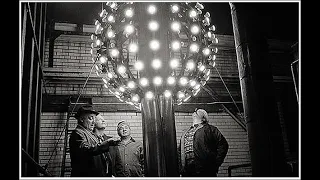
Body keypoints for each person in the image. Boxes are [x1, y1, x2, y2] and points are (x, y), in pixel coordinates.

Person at [178, 108, 229, 177]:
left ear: (203, 118)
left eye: (198, 112)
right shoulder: (185, 132)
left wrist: (215, 163)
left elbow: (223, 145)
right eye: (195, 111)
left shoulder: (211, 129)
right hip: (187, 172)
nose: (195, 112)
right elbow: (179, 151)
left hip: (205, 171)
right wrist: (180, 168)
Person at [68, 105, 114, 177]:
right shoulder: (78, 133)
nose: (93, 122)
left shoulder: (89, 134)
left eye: (94, 119)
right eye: (90, 118)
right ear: (81, 119)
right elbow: (87, 149)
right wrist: (107, 143)